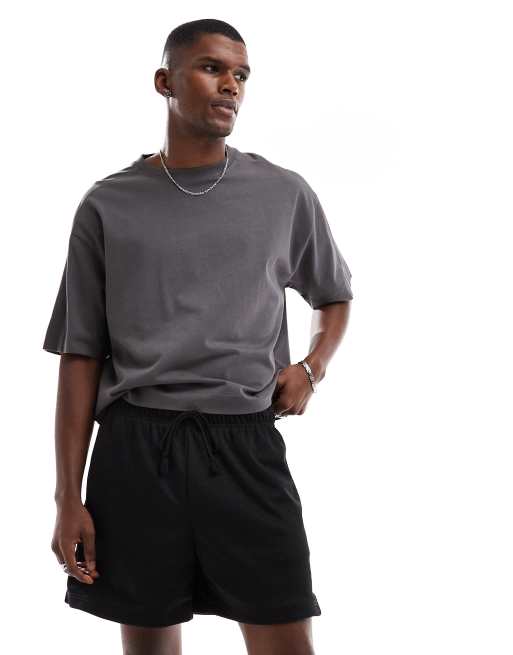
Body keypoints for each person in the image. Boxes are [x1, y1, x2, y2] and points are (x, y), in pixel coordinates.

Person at [44, 18, 353, 655]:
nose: (231, 85)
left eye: (241, 74)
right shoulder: (107, 205)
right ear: (165, 81)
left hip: (244, 446)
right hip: (136, 450)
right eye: (212, 68)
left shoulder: (283, 193)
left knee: (287, 639)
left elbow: (334, 294)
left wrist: (312, 366)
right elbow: (80, 356)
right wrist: (66, 498)